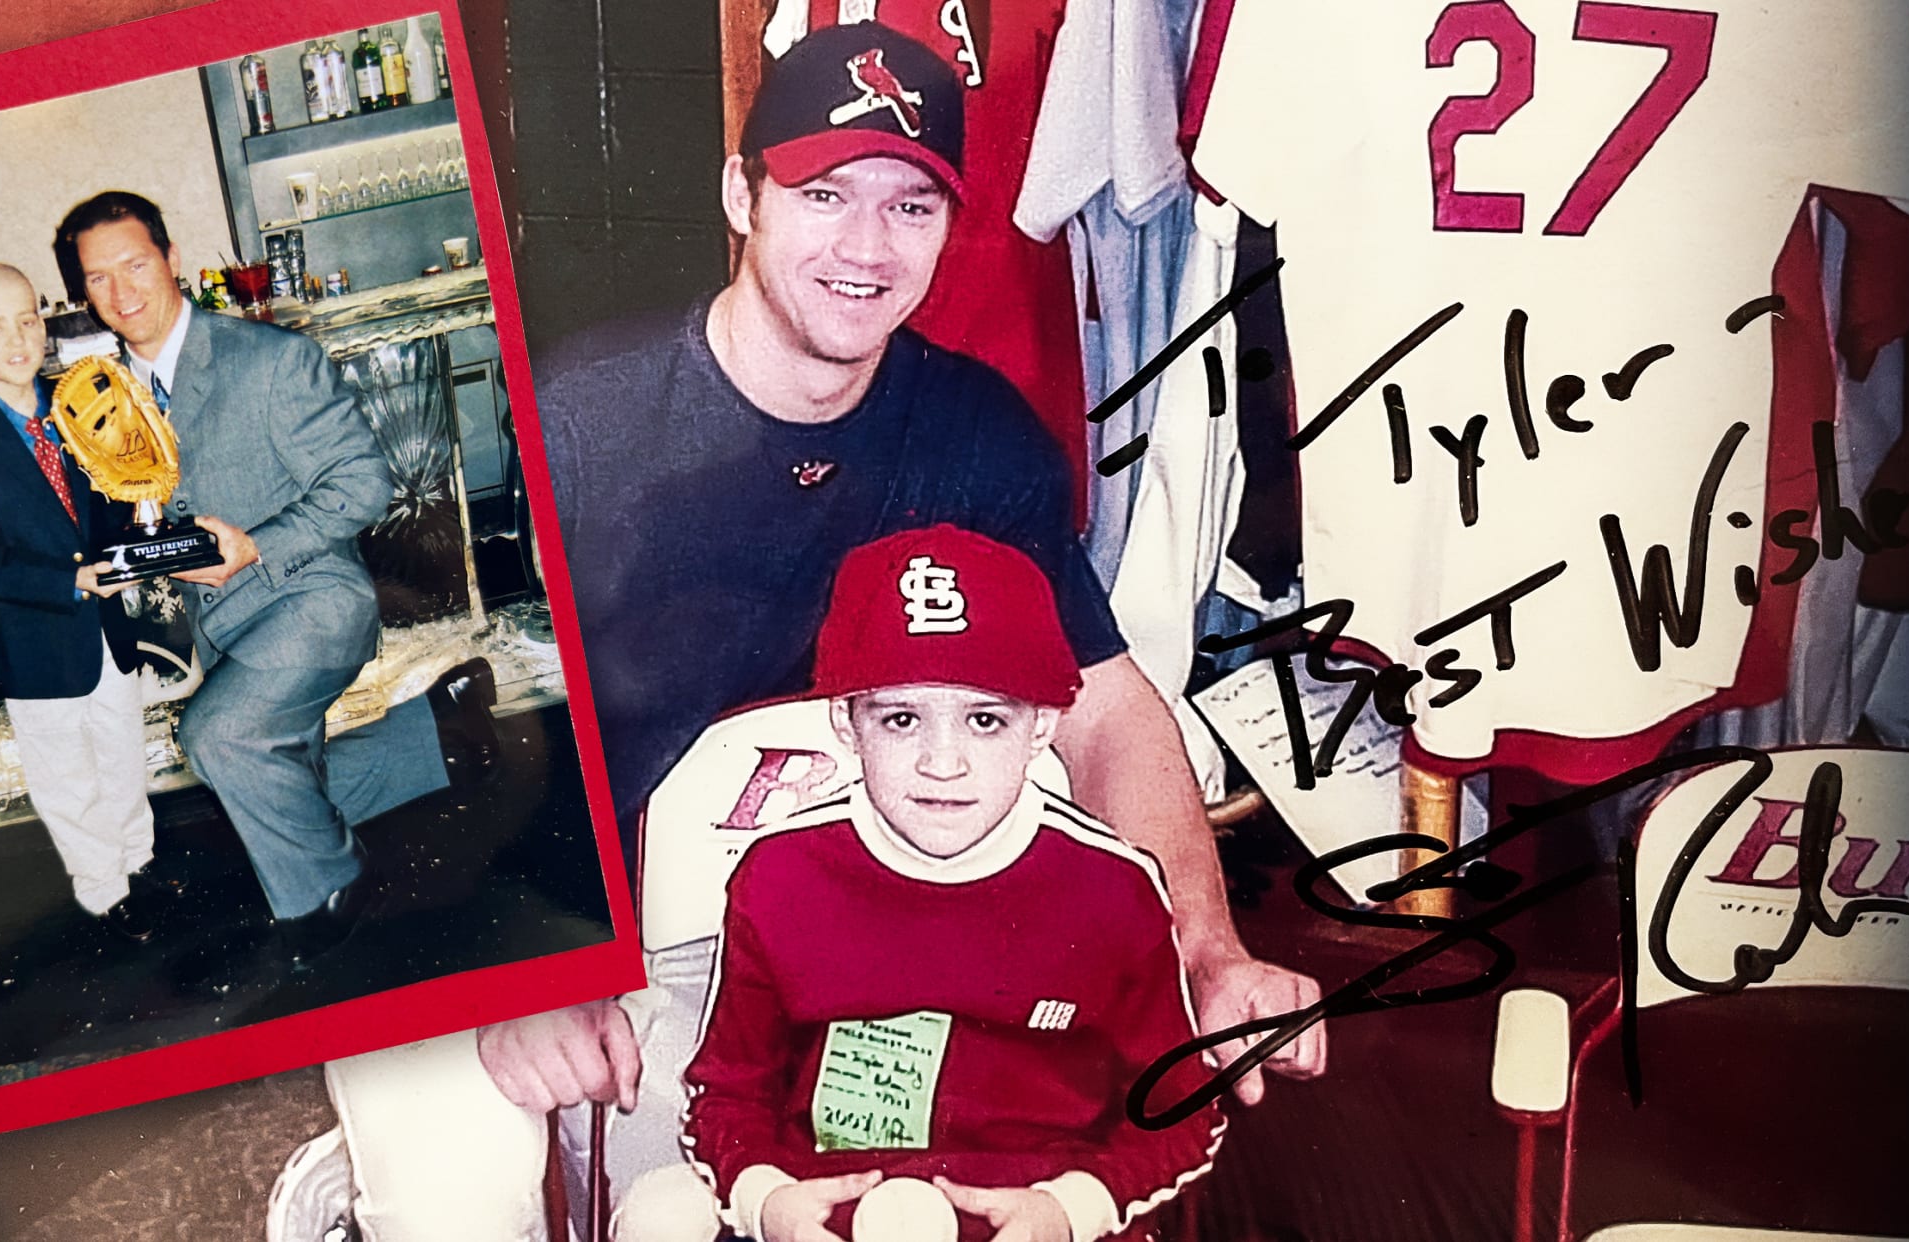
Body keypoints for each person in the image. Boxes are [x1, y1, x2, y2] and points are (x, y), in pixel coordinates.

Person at [323, 24, 1319, 1239]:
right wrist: (513, 969)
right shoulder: (579, 422)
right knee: (455, 1185)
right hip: (575, 923)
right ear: (741, 196)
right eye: (824, 192)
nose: (866, 246)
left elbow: (1105, 705)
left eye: (911, 205)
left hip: (825, 931)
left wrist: (1204, 950)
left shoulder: (977, 435)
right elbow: (421, 724)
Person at [661, 524, 1224, 1242]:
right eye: (901, 719)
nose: (942, 762)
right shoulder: (780, 874)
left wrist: (1071, 1210)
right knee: (658, 1212)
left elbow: (1181, 1108)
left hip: (1043, 1212)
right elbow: (726, 1093)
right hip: (835, 1213)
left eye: (985, 720)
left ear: (1044, 724)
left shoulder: (1113, 888)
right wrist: (768, 1199)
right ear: (845, 721)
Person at [53, 191, 461, 969]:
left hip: (311, 599)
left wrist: (256, 546)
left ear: (171, 258)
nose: (122, 292)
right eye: (98, 279)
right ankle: (434, 738)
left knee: (218, 737)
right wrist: (115, 567)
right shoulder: (106, 398)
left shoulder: (270, 360)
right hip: (220, 628)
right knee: (279, 775)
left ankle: (333, 891)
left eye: (135, 265)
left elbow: (362, 484)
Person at [0, 262, 159, 940]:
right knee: (67, 779)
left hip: (107, 629)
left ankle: (137, 865)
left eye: (28, 319)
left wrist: (142, 530)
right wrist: (69, 581)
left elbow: (114, 495)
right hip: (36, 641)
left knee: (122, 753)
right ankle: (105, 891)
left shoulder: (83, 401)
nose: (20, 339)